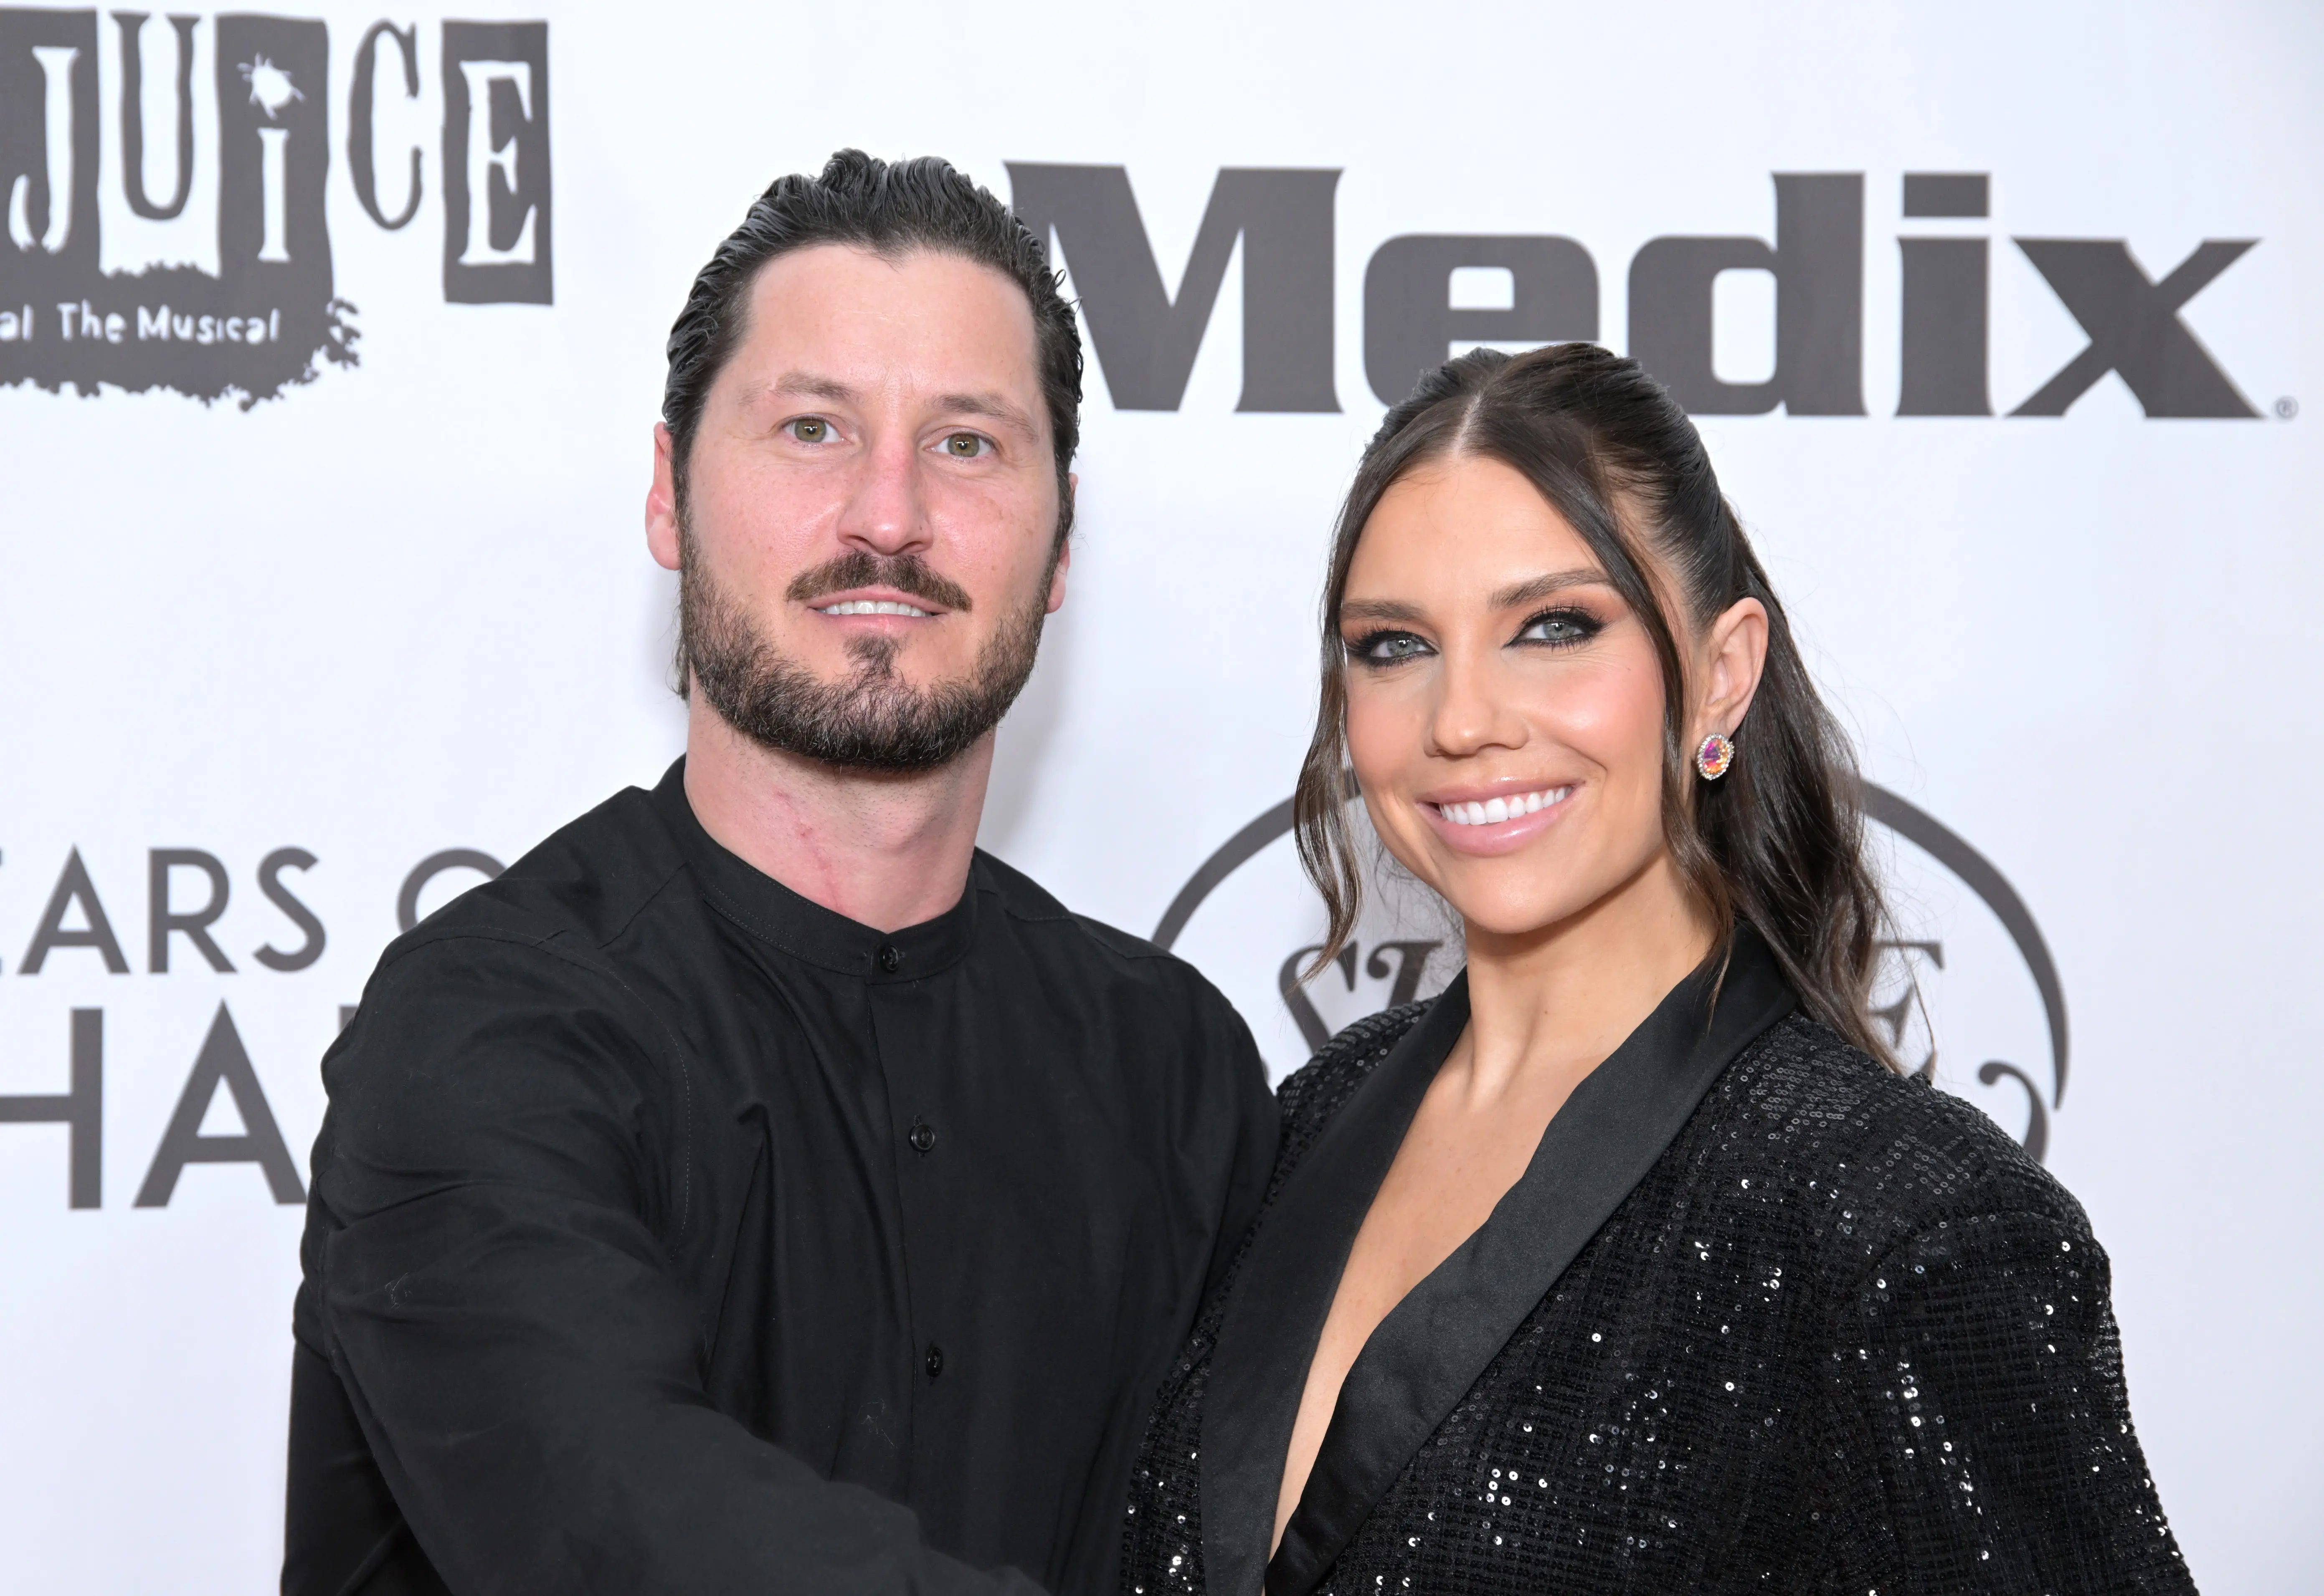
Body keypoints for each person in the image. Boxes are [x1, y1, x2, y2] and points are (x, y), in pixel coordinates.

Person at [284, 151, 1277, 1596]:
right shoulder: (484, 1031)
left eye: (967, 443)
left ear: (1061, 539)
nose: (888, 514)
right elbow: (629, 1530)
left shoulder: (1175, 1069)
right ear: (668, 497)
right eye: (813, 428)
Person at [1122, 343, 2196, 1596]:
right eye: (1395, 645)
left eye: (1554, 628)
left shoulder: (1894, 1221)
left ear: (1722, 673)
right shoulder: (1307, 1120)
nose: (1460, 720)